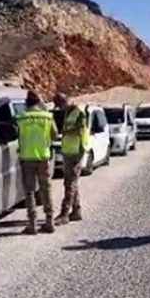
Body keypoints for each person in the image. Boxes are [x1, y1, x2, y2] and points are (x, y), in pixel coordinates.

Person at [15, 90, 58, 234]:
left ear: (26, 103)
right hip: (43, 158)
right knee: (46, 189)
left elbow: (15, 134)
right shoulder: (47, 117)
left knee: (30, 191)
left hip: (27, 158)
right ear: (38, 102)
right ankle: (49, 221)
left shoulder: (21, 117)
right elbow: (55, 134)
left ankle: (32, 224)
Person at [53, 92, 90, 225]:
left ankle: (64, 214)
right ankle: (76, 211)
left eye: (60, 105)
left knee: (70, 183)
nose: (59, 108)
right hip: (68, 152)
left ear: (65, 101)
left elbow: (79, 130)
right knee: (71, 183)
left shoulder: (79, 113)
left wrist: (64, 132)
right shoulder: (68, 113)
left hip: (76, 152)